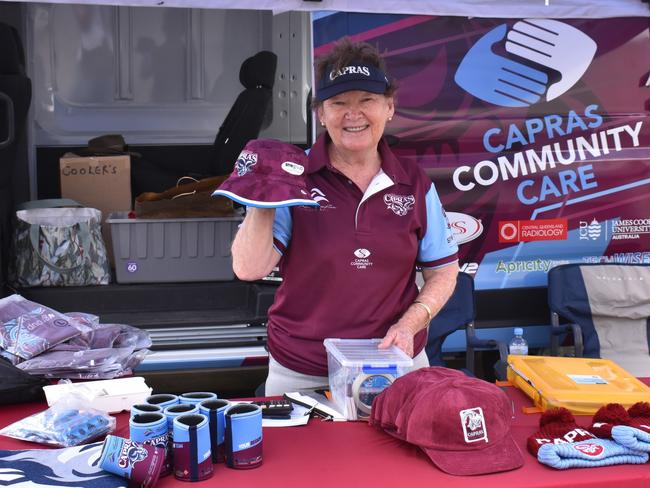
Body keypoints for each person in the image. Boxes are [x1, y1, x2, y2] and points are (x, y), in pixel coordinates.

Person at [231, 38, 459, 395]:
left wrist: (409, 325)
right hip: (302, 370)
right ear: (321, 113)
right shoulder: (294, 175)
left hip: (393, 363)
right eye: (338, 103)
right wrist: (262, 195)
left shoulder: (414, 182)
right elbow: (249, 269)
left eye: (367, 100)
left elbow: (443, 271)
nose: (353, 114)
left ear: (389, 108)